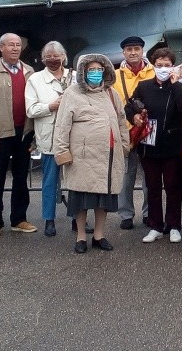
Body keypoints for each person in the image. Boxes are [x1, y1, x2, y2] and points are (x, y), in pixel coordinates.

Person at [53, 54, 130, 254]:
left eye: (99, 70)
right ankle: (80, 236)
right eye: (91, 70)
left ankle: (99, 234)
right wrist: (62, 152)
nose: (96, 74)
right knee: (81, 198)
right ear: (83, 72)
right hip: (82, 157)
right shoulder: (72, 94)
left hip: (107, 155)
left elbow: (121, 121)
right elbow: (62, 125)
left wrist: (124, 144)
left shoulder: (111, 93)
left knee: (102, 198)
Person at [0, 33, 38, 238]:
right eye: (10, 45)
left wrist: (35, 136)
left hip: (24, 133)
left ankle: (19, 219)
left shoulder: (29, 71)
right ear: (1, 48)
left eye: (18, 45)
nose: (15, 48)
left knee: (21, 178)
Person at [131, 47, 182, 244]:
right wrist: (135, 116)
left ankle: (173, 225)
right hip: (149, 145)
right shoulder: (144, 86)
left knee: (174, 187)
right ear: (153, 66)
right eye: (159, 65)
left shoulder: (180, 88)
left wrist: (174, 85)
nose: (163, 69)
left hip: (173, 145)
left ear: (173, 67)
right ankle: (155, 225)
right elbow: (130, 105)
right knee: (153, 187)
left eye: (167, 65)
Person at [25, 41, 73, 237]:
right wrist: (51, 106)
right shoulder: (35, 79)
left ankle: (77, 219)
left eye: (57, 56)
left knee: (75, 181)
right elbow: (30, 109)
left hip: (73, 135)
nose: (53, 60)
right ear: (43, 59)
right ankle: (49, 220)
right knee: (49, 180)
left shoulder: (75, 77)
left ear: (64, 57)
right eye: (48, 57)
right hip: (48, 137)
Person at [112, 36, 154, 231]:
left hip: (148, 132)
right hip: (125, 132)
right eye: (129, 49)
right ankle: (126, 214)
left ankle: (149, 213)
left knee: (149, 176)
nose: (133, 52)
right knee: (126, 177)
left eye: (137, 48)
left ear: (142, 51)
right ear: (123, 53)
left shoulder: (154, 72)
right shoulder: (113, 76)